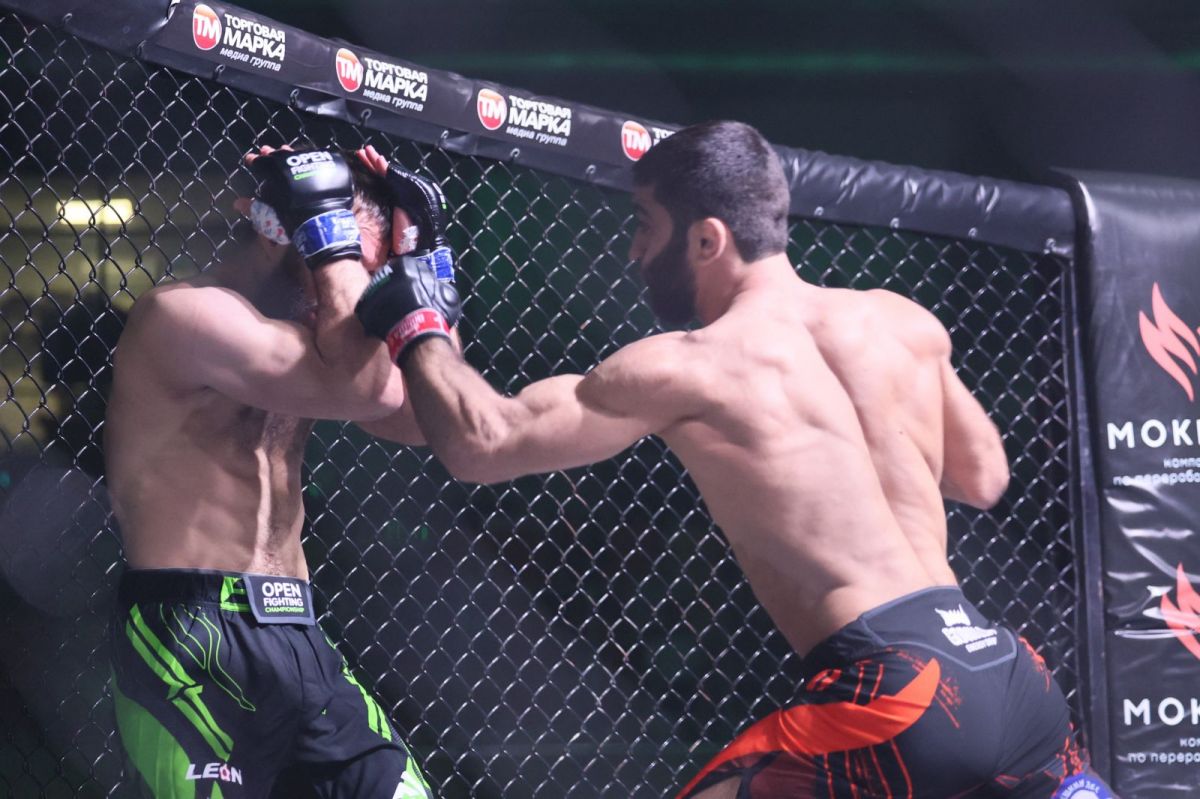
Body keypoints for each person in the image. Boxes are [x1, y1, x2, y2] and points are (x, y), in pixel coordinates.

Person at [354, 121, 1115, 798]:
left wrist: (419, 312)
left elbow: (481, 443)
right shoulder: (899, 324)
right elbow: (984, 478)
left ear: (707, 239)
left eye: (645, 225)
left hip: (896, 696)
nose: (633, 251)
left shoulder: (693, 366)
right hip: (1007, 674)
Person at [104, 145, 449, 798]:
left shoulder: (321, 347)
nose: (358, 294)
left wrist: (422, 256)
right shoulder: (186, 314)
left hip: (299, 629)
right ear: (278, 235)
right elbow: (376, 389)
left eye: (369, 275)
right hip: (192, 635)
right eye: (341, 262)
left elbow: (433, 415)